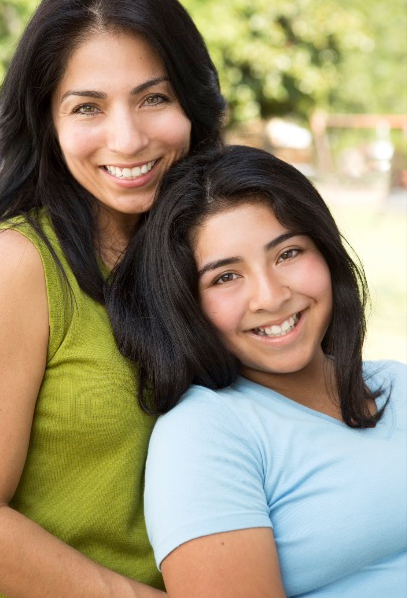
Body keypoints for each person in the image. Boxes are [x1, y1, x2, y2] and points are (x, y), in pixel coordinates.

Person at [0, 0, 225, 598]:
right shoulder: (17, 265)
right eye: (87, 106)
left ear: (192, 105)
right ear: (48, 122)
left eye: (153, 98)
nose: (128, 139)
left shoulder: (215, 248)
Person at [108, 145, 407, 597]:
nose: (269, 296)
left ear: (325, 252)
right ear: (188, 304)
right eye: (225, 277)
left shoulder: (396, 384)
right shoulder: (206, 433)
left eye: (287, 253)